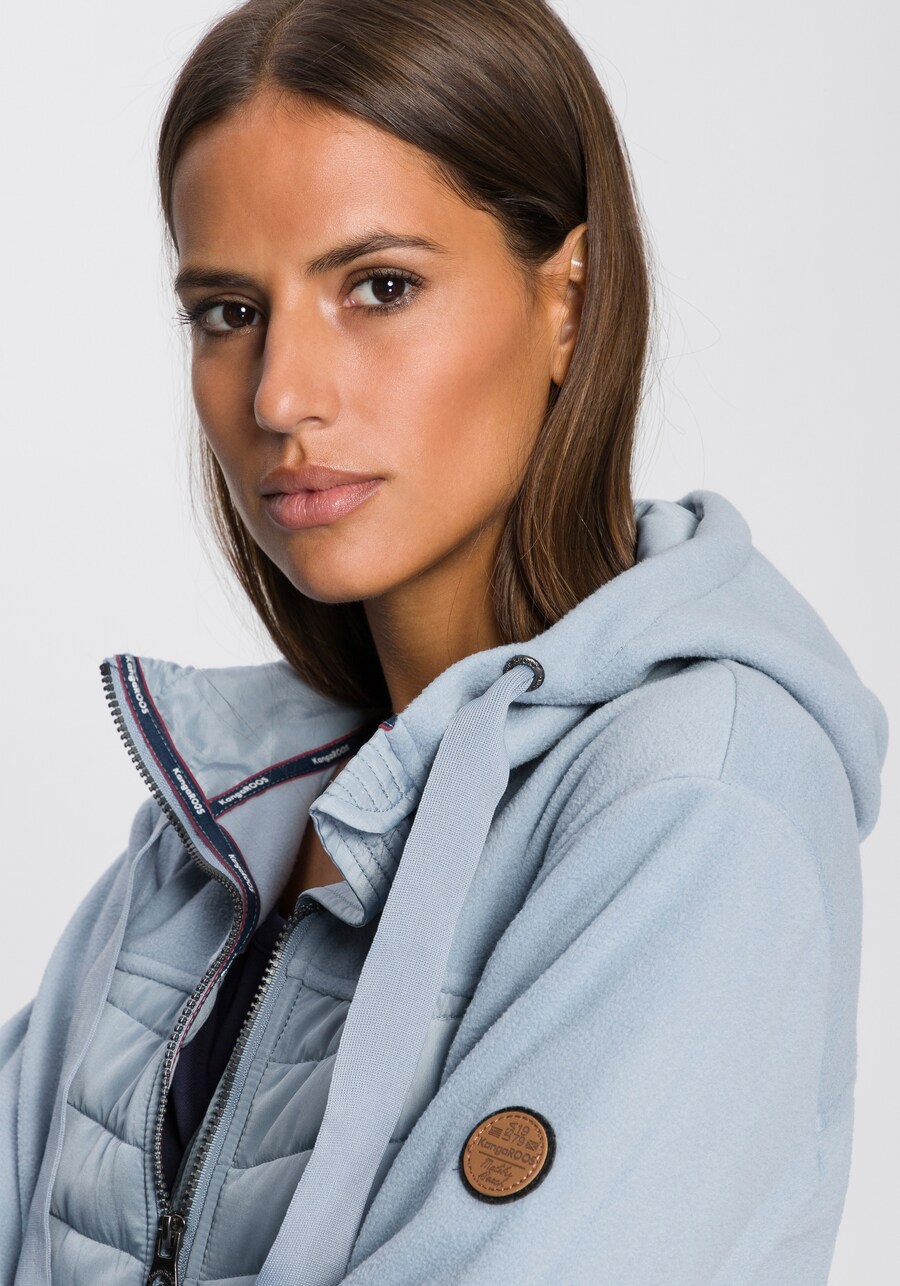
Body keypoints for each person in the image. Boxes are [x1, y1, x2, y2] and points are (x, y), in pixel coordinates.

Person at [0, 0, 889, 1282]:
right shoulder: (219, 818)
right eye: (229, 310)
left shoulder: (697, 800)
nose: (281, 394)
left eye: (380, 287)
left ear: (570, 300)